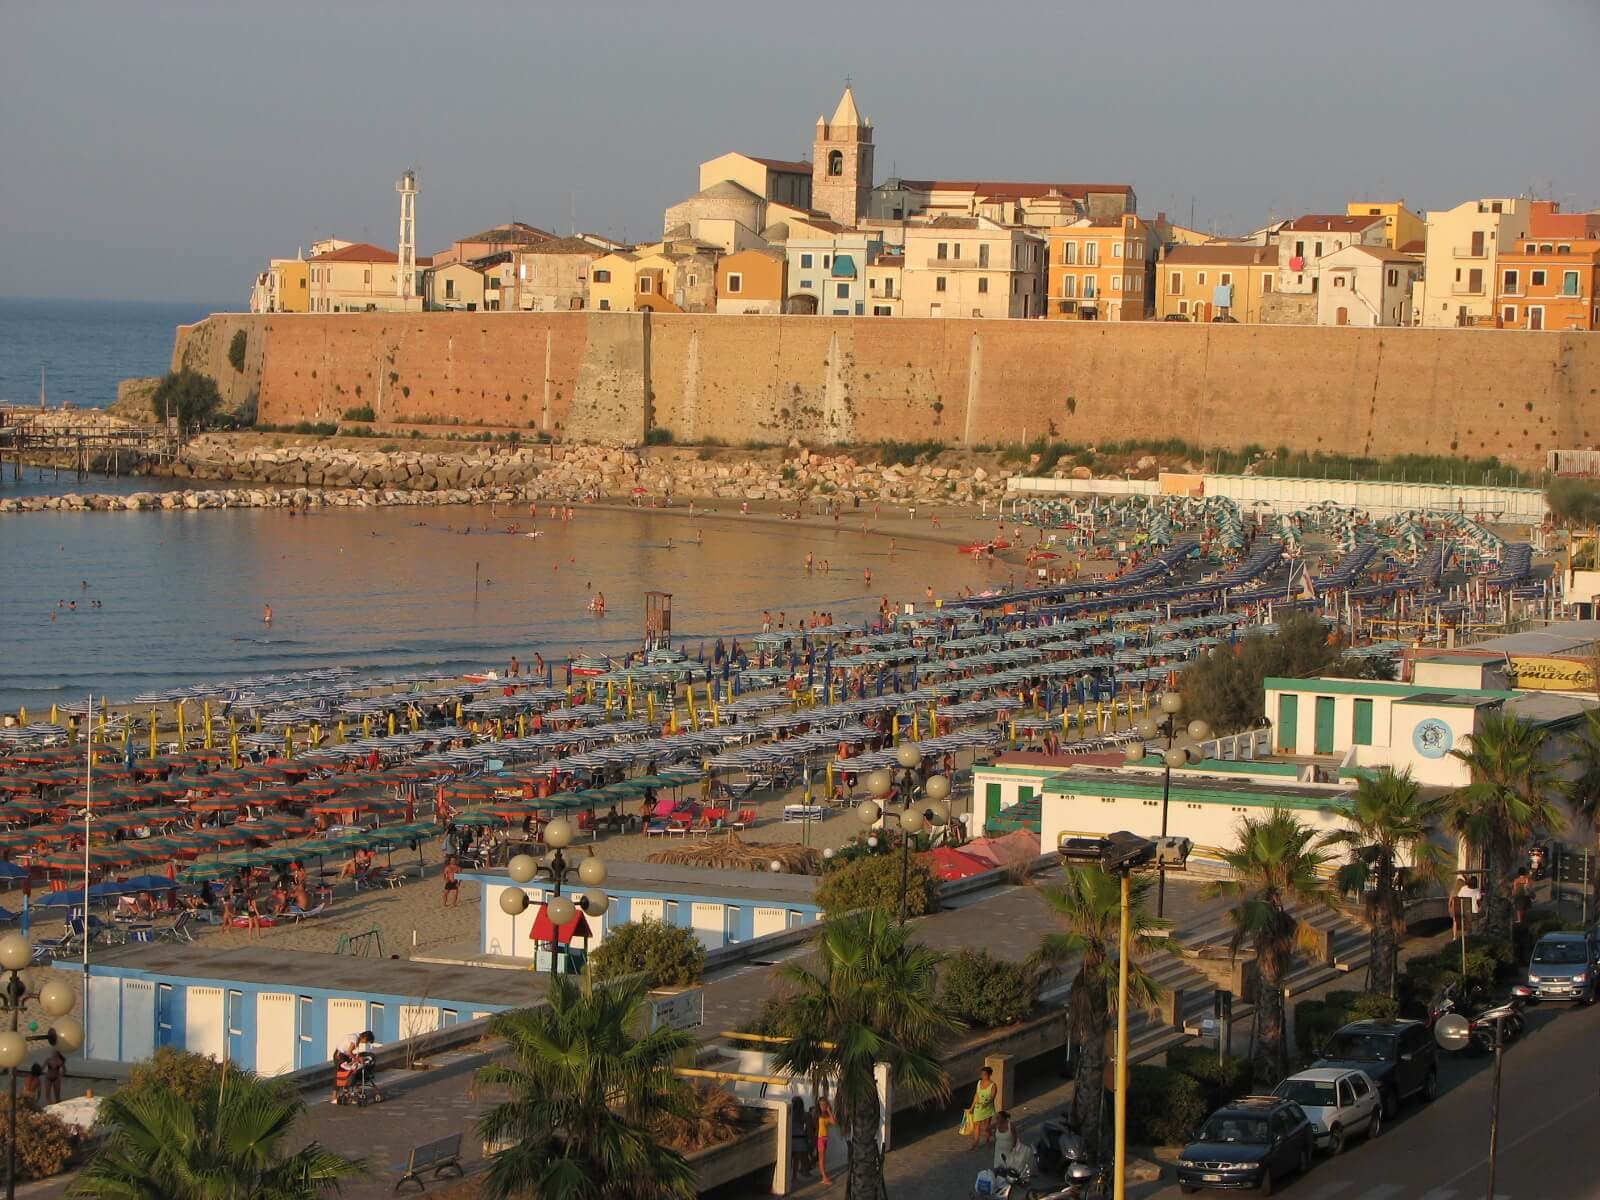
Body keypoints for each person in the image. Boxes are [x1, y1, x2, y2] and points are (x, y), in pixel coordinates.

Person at [969, 1065, 998, 1149]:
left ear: (989, 1075)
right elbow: (976, 1095)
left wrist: (986, 1102)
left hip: (987, 1108)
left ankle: (987, 1140)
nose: (983, 1076)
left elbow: (992, 1097)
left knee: (986, 1126)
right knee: (976, 1125)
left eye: (984, 1074)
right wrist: (971, 1107)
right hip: (978, 1107)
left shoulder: (993, 1085)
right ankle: (976, 1142)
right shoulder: (979, 1083)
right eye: (982, 1074)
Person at [814, 1095, 834, 1186]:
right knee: (821, 1159)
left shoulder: (826, 1115)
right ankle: (824, 1177)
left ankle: (824, 1177)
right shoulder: (818, 1115)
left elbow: (834, 1122)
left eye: (824, 1104)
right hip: (820, 1138)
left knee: (823, 1159)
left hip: (825, 1138)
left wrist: (829, 1111)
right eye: (821, 1105)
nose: (823, 1106)